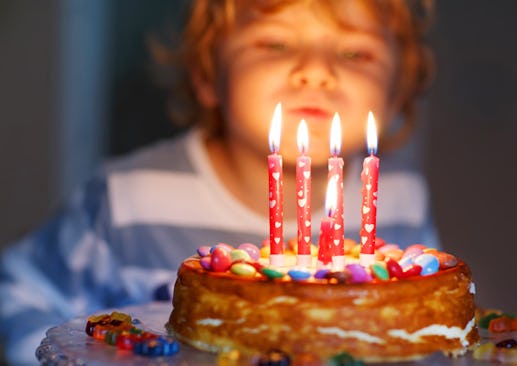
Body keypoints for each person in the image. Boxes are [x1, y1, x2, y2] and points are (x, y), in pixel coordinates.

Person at [0, 0, 438, 363]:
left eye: (355, 53)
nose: (316, 70)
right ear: (209, 76)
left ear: (396, 91)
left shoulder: (401, 199)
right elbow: (17, 291)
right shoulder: (131, 197)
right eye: (276, 43)